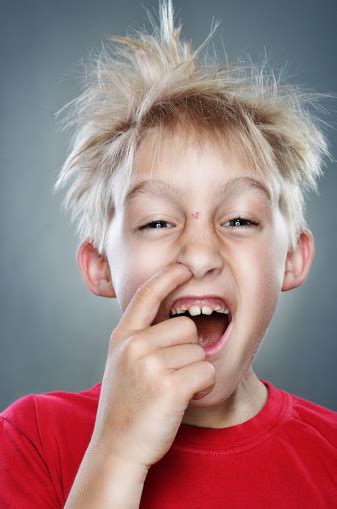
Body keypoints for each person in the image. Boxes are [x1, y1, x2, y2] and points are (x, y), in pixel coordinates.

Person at [1, 1, 336, 507]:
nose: (200, 255)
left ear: (291, 258)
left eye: (239, 220)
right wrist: (117, 453)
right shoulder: (30, 438)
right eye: (157, 222)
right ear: (100, 267)